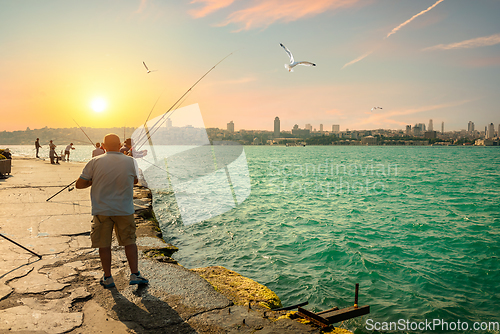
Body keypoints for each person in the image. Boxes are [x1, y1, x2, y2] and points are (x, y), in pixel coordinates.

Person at [76, 133, 148, 288]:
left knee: (104, 244)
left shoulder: (94, 162)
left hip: (102, 209)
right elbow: (135, 180)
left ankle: (108, 277)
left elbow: (79, 184)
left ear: (103, 146)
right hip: (124, 209)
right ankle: (135, 274)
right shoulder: (131, 161)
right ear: (119, 144)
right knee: (129, 242)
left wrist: (94, 180)